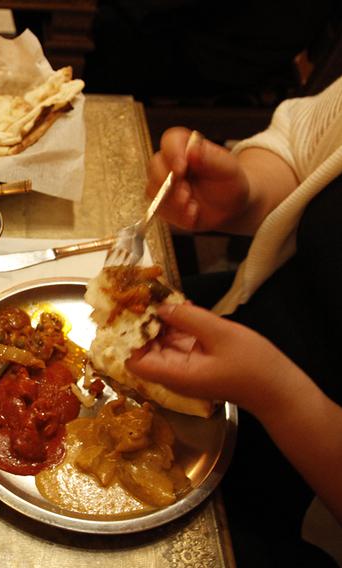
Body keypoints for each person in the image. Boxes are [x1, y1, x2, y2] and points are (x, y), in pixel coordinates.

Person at [125, 76, 342, 566]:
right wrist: (245, 192)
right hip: (248, 316)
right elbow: (301, 145)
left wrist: (277, 394)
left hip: (301, 472)